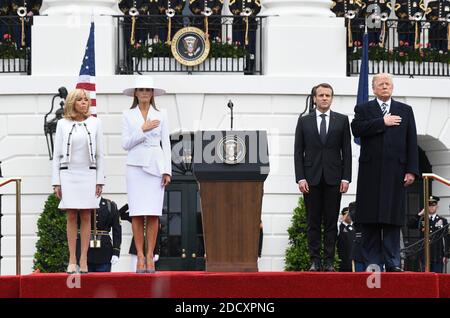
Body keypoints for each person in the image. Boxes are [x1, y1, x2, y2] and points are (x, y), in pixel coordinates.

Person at [351, 73, 419, 272]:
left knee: (392, 219)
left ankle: (392, 263)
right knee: (370, 220)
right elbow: (356, 129)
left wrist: (411, 171)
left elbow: (411, 142)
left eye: (388, 84)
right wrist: (382, 122)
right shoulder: (364, 109)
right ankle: (373, 265)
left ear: (392, 88)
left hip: (396, 173)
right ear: (373, 88)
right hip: (370, 173)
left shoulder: (405, 111)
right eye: (380, 84)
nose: (384, 87)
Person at [294, 83, 352, 272]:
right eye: (321, 95)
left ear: (332, 98)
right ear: (314, 98)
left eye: (328, 95)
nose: (324, 98)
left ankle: (328, 261)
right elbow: (297, 152)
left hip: (334, 179)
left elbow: (347, 152)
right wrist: (300, 178)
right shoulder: (304, 121)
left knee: (330, 222)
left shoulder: (342, 120)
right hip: (311, 179)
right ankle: (314, 261)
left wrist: (346, 178)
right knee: (313, 221)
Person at [52, 89, 105, 274]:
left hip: (88, 174)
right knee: (72, 215)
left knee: (86, 215)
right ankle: (72, 258)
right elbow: (56, 155)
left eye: (86, 100)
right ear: (73, 102)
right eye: (80, 100)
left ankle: (83, 258)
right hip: (68, 174)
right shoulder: (62, 124)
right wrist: (56, 182)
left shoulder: (96, 123)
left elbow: (100, 154)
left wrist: (100, 180)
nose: (84, 103)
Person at [122, 76, 171, 273]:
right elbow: (125, 143)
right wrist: (143, 129)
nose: (144, 93)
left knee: (152, 213)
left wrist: (167, 170)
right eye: (141, 89)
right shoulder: (127, 114)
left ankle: (150, 255)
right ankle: (140, 257)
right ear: (135, 93)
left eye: (148, 90)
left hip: (155, 165)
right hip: (134, 166)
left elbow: (165, 143)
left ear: (152, 94)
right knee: (136, 213)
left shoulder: (162, 114)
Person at [76, 197, 122, 272]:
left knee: (103, 282)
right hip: (83, 251)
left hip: (104, 252)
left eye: (100, 186)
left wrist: (116, 251)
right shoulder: (81, 204)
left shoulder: (110, 205)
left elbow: (117, 230)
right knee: (85, 282)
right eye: (96, 186)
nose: (98, 189)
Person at [407, 195, 450, 273]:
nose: (431, 207)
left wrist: (446, 254)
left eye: (433, 205)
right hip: (424, 255)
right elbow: (409, 225)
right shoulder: (422, 219)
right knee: (425, 280)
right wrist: (420, 214)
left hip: (438, 255)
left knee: (437, 279)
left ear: (437, 206)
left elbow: (446, 237)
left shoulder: (443, 221)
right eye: (429, 205)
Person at [119, 203, 161, 272]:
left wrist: (156, 251)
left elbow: (157, 235)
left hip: (150, 250)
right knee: (135, 272)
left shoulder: (153, 216)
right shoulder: (135, 214)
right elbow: (120, 214)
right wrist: (131, 204)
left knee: (150, 274)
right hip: (136, 250)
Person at [337, 207, 355, 272]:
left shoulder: (354, 227)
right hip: (343, 263)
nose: (349, 217)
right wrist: (342, 218)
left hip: (352, 263)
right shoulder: (340, 227)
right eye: (348, 215)